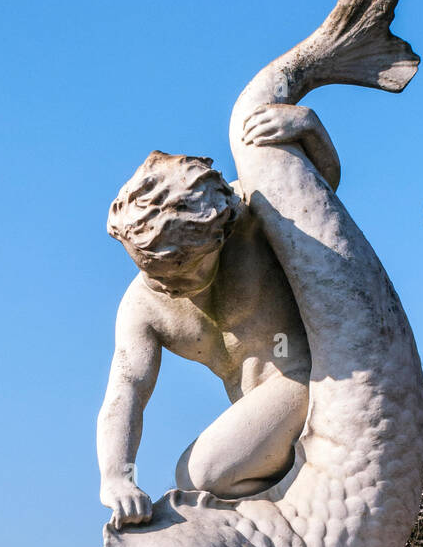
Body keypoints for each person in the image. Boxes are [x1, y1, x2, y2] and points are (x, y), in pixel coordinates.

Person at [97, 107, 342, 525]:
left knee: (200, 474)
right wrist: (116, 478)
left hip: (316, 381)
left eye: (187, 267)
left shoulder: (246, 217)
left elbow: (321, 198)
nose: (173, 285)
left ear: (218, 234)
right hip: (265, 428)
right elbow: (127, 391)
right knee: (203, 492)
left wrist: (310, 130)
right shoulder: (142, 307)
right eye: (154, 270)